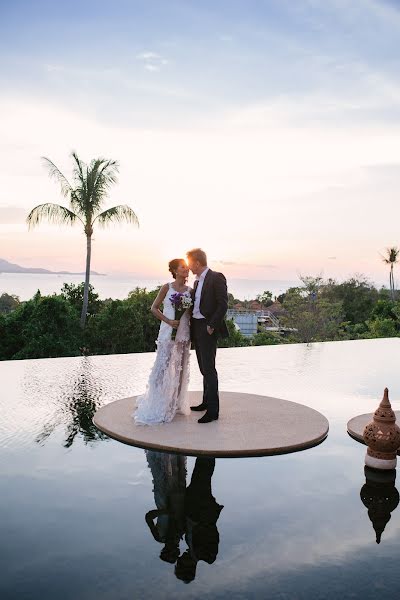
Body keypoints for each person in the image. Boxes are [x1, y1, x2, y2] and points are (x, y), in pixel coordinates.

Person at [134, 259, 191, 424]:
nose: (186, 269)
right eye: (182, 267)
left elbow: (191, 314)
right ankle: (157, 401)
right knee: (163, 366)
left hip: (183, 333)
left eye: (187, 267)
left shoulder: (190, 291)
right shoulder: (167, 287)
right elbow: (154, 308)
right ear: (174, 270)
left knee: (180, 368)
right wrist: (169, 321)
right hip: (167, 332)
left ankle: (176, 403)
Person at [186, 248, 229, 424]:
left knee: (209, 369)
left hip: (207, 328)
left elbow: (223, 305)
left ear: (197, 262)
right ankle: (205, 402)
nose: (189, 268)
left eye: (190, 264)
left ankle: (213, 411)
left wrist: (212, 325)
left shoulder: (217, 277)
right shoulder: (196, 283)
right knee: (203, 368)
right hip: (196, 327)